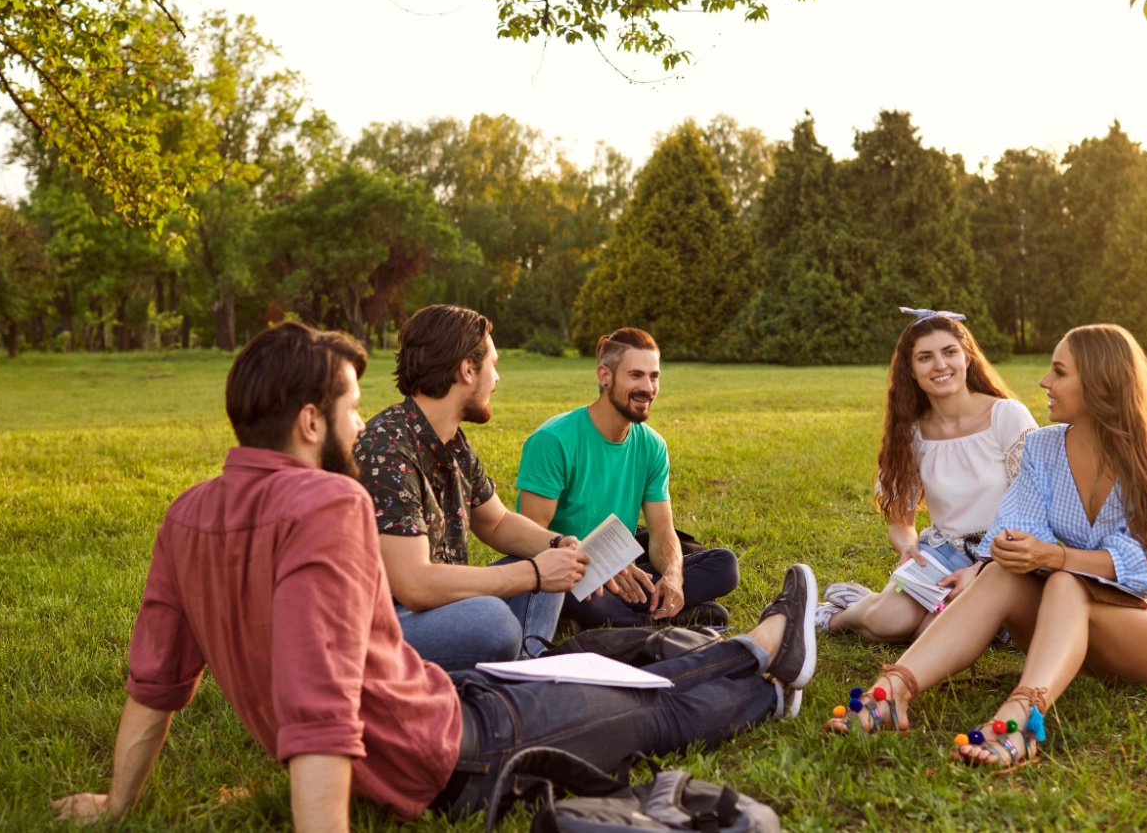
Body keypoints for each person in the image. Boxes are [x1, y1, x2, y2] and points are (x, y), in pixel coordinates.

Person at [50, 320, 821, 827]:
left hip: (447, 700)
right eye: (350, 410)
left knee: (601, 686)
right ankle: (763, 663)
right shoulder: (328, 503)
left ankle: (754, 653)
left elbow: (156, 680)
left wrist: (118, 803)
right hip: (451, 748)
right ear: (311, 423)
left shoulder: (187, 514)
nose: (360, 424)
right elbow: (321, 710)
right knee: (647, 717)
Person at [825, 324, 1147, 772]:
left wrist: (1057, 557)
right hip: (1075, 627)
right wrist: (1006, 553)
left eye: (1059, 372)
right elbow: (1009, 531)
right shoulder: (1044, 447)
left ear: (1100, 383)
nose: (1044, 381)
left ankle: (1020, 721)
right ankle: (892, 693)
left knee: (1064, 582)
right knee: (1003, 571)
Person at [352, 304, 584, 671]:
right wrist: (534, 573)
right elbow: (414, 585)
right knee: (491, 620)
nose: (497, 378)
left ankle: (523, 668)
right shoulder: (386, 448)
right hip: (384, 628)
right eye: (494, 364)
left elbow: (497, 522)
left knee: (542, 566)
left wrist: (559, 546)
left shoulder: (452, 442)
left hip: (440, 609)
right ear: (467, 368)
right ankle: (521, 669)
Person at [815, 308, 1037, 642]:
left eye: (949, 352)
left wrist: (981, 569)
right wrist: (908, 548)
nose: (940, 365)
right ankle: (834, 616)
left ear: (967, 358)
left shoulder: (1006, 416)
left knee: (931, 636)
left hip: (1003, 555)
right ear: (911, 370)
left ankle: (872, 600)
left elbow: (1033, 509)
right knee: (890, 624)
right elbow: (900, 522)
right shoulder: (913, 433)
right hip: (941, 549)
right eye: (925, 357)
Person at [516, 328, 740, 629]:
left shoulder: (652, 445)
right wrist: (596, 565)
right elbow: (528, 539)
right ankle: (650, 623)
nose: (647, 387)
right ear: (604, 376)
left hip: (623, 568)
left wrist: (673, 577)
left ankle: (638, 618)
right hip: (569, 575)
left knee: (725, 566)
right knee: (596, 605)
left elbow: (661, 531)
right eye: (635, 375)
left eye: (654, 376)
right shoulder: (553, 440)